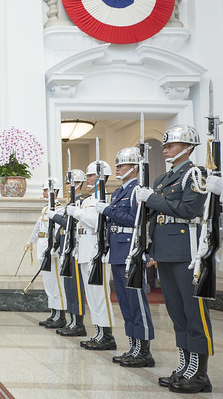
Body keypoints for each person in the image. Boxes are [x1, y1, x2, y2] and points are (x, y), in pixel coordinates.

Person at [136, 125, 212, 393]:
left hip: (187, 252)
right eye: (165, 145)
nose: (165, 149)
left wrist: (153, 199)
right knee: (177, 313)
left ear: (187, 148)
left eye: (171, 145)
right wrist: (152, 249)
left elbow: (190, 210)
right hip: (166, 252)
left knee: (194, 314)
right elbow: (157, 217)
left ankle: (200, 373)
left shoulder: (195, 174)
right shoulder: (162, 179)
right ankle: (185, 366)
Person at [96, 147, 155, 368]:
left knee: (136, 302)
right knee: (125, 303)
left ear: (134, 168)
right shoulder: (119, 192)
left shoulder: (137, 190)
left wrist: (107, 211)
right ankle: (133, 346)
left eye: (122, 165)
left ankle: (144, 351)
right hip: (118, 250)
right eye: (118, 164)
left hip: (131, 250)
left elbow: (134, 220)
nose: (118, 168)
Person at [67, 161, 117, 350]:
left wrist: (77, 212)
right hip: (85, 250)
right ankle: (98, 332)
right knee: (92, 296)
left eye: (90, 175)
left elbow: (98, 223)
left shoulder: (107, 199)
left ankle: (107, 335)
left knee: (100, 294)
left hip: (98, 250)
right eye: (87, 176)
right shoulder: (88, 200)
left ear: (102, 177)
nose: (87, 179)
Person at [49, 169, 87, 337]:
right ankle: (72, 321)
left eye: (69, 184)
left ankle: (78, 324)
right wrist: (56, 242)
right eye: (66, 184)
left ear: (78, 184)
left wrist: (55, 217)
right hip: (66, 248)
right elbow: (64, 227)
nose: (66, 187)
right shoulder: (70, 203)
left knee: (76, 287)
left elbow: (71, 224)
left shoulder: (81, 202)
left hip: (75, 249)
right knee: (69, 287)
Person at [26, 178, 67, 329]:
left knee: (56, 283)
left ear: (53, 192)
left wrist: (55, 247)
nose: (43, 192)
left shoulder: (59, 209)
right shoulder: (46, 209)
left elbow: (59, 231)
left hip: (52, 250)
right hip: (44, 248)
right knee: (49, 284)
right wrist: (31, 241)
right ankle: (53, 313)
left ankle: (60, 315)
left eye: (45, 190)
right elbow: (38, 226)